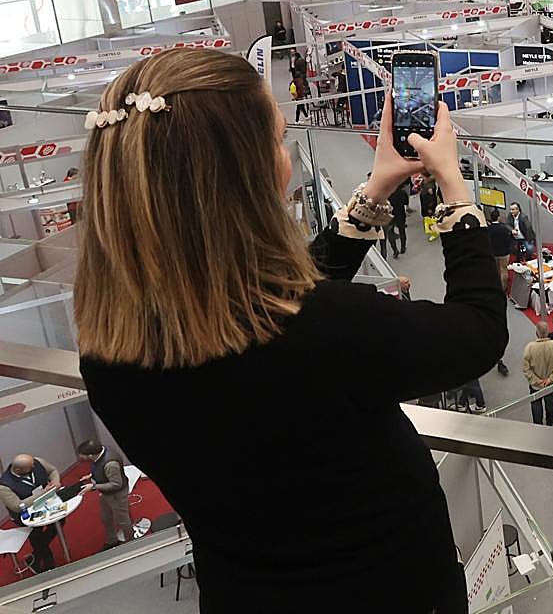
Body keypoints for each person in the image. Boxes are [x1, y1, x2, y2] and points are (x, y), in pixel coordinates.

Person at [74, 48, 508, 613]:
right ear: (241, 175)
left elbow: (272, 310)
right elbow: (477, 331)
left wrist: (375, 190)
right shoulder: (330, 330)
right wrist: (455, 188)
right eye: (278, 140)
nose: (286, 158)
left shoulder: (108, 352)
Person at [0, 454, 62, 572]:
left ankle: (35, 555)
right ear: (18, 470)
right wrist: (43, 493)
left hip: (46, 503)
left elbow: (52, 470)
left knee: (60, 520)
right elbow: (17, 506)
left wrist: (55, 482)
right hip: (25, 515)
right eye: (30, 467)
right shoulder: (4, 486)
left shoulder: (37, 462)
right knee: (37, 536)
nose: (34, 466)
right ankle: (48, 565)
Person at [76, 439, 134, 549]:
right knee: (106, 517)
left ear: (91, 455)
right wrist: (91, 476)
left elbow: (116, 484)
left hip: (116, 494)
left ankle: (131, 543)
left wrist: (93, 486)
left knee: (122, 520)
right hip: (106, 493)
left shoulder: (110, 464)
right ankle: (112, 541)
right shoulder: (100, 453)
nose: (81, 457)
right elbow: (99, 467)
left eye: (83, 455)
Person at [523, 321, 553, 426]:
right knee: (550, 401)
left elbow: (526, 369)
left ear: (536, 333)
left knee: (536, 403)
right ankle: (550, 420)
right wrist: (551, 379)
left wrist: (537, 381)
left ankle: (538, 424)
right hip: (550, 384)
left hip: (536, 386)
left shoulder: (529, 348)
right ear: (548, 332)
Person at [380, 181, 408, 258]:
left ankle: (395, 250)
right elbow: (406, 202)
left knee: (391, 233)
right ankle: (403, 247)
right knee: (402, 231)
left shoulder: (387, 195)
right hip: (401, 214)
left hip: (390, 216)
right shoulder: (402, 193)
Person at [487, 207, 513, 288]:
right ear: (498, 217)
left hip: (493, 254)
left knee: (496, 271)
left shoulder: (488, 229)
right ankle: (504, 288)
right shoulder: (504, 229)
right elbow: (508, 241)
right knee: (504, 270)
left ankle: (497, 287)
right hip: (504, 254)